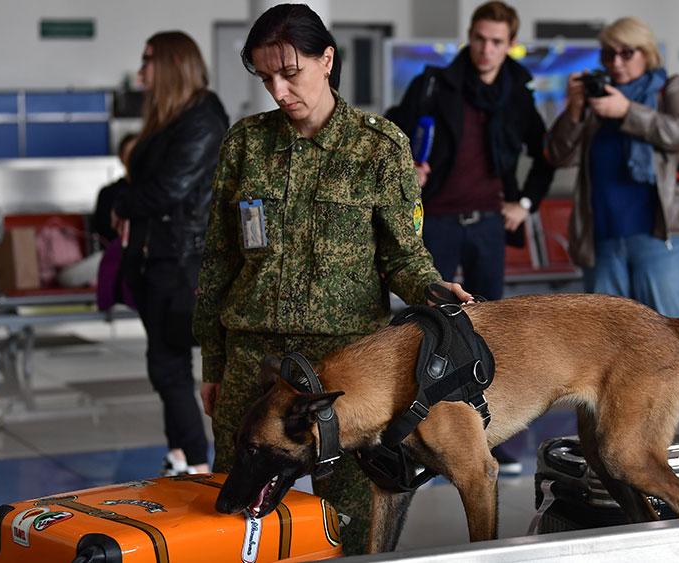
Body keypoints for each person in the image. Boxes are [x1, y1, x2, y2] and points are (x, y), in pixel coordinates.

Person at [192, 4, 470, 554]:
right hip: (253, 364)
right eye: (265, 76)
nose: (278, 89)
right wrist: (214, 363)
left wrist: (432, 290)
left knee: (348, 518)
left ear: (327, 60)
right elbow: (220, 260)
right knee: (239, 521)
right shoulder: (245, 144)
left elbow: (403, 257)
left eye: (289, 72)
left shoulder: (378, 148)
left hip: (344, 374)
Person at [385, 1, 554, 473]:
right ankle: (425, 433)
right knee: (430, 325)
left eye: (497, 41)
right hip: (438, 217)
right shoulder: (436, 82)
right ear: (470, 35)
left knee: (490, 330)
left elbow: (545, 156)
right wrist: (407, 168)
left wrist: (524, 205)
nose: (486, 49)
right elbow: (393, 134)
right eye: (479, 38)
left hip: (487, 224)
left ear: (509, 43)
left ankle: (488, 434)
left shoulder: (517, 93)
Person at [546, 16, 679, 423]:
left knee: (670, 342)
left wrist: (627, 110)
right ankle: (619, 447)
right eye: (608, 53)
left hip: (658, 239)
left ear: (646, 53)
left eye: (626, 52)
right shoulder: (596, 102)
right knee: (602, 350)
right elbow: (558, 154)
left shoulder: (670, 87)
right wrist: (575, 109)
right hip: (603, 241)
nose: (616, 62)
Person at [112, 31, 229, 476]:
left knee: (168, 365)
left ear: (171, 64)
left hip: (181, 262)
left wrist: (123, 203)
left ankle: (197, 462)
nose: (141, 69)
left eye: (148, 60)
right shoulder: (171, 116)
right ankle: (182, 455)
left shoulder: (201, 118)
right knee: (166, 363)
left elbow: (169, 188)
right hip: (157, 258)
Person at [92, 133, 138, 247]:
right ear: (121, 158)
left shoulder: (155, 192)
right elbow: (102, 230)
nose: (134, 159)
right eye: (129, 154)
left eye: (138, 154)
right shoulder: (108, 193)